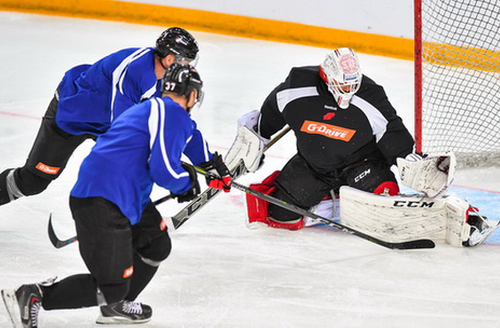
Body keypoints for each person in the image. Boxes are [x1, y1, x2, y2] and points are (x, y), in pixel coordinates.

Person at [1, 64, 232, 327]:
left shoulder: (154, 108)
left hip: (121, 193)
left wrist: (210, 165)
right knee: (111, 286)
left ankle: (117, 307)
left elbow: (188, 137)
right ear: (192, 95)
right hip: (104, 199)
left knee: (156, 243)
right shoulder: (171, 114)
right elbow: (163, 169)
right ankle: (33, 295)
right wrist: (185, 182)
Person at [0, 27, 199, 206]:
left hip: (105, 123)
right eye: (185, 61)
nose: (188, 67)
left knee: (127, 172)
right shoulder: (135, 70)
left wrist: (205, 161)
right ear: (169, 59)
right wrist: (169, 167)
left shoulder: (167, 82)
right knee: (34, 181)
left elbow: (176, 122)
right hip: (71, 117)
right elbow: (123, 129)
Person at [241, 47, 416, 231]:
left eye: (353, 84)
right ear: (327, 76)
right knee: (280, 215)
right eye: (344, 85)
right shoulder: (295, 89)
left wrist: (410, 162)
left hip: (361, 164)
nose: (349, 90)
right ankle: (333, 201)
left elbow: (394, 134)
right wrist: (253, 142)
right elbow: (266, 121)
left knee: (383, 202)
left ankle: (345, 197)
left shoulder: (370, 96)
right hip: (314, 166)